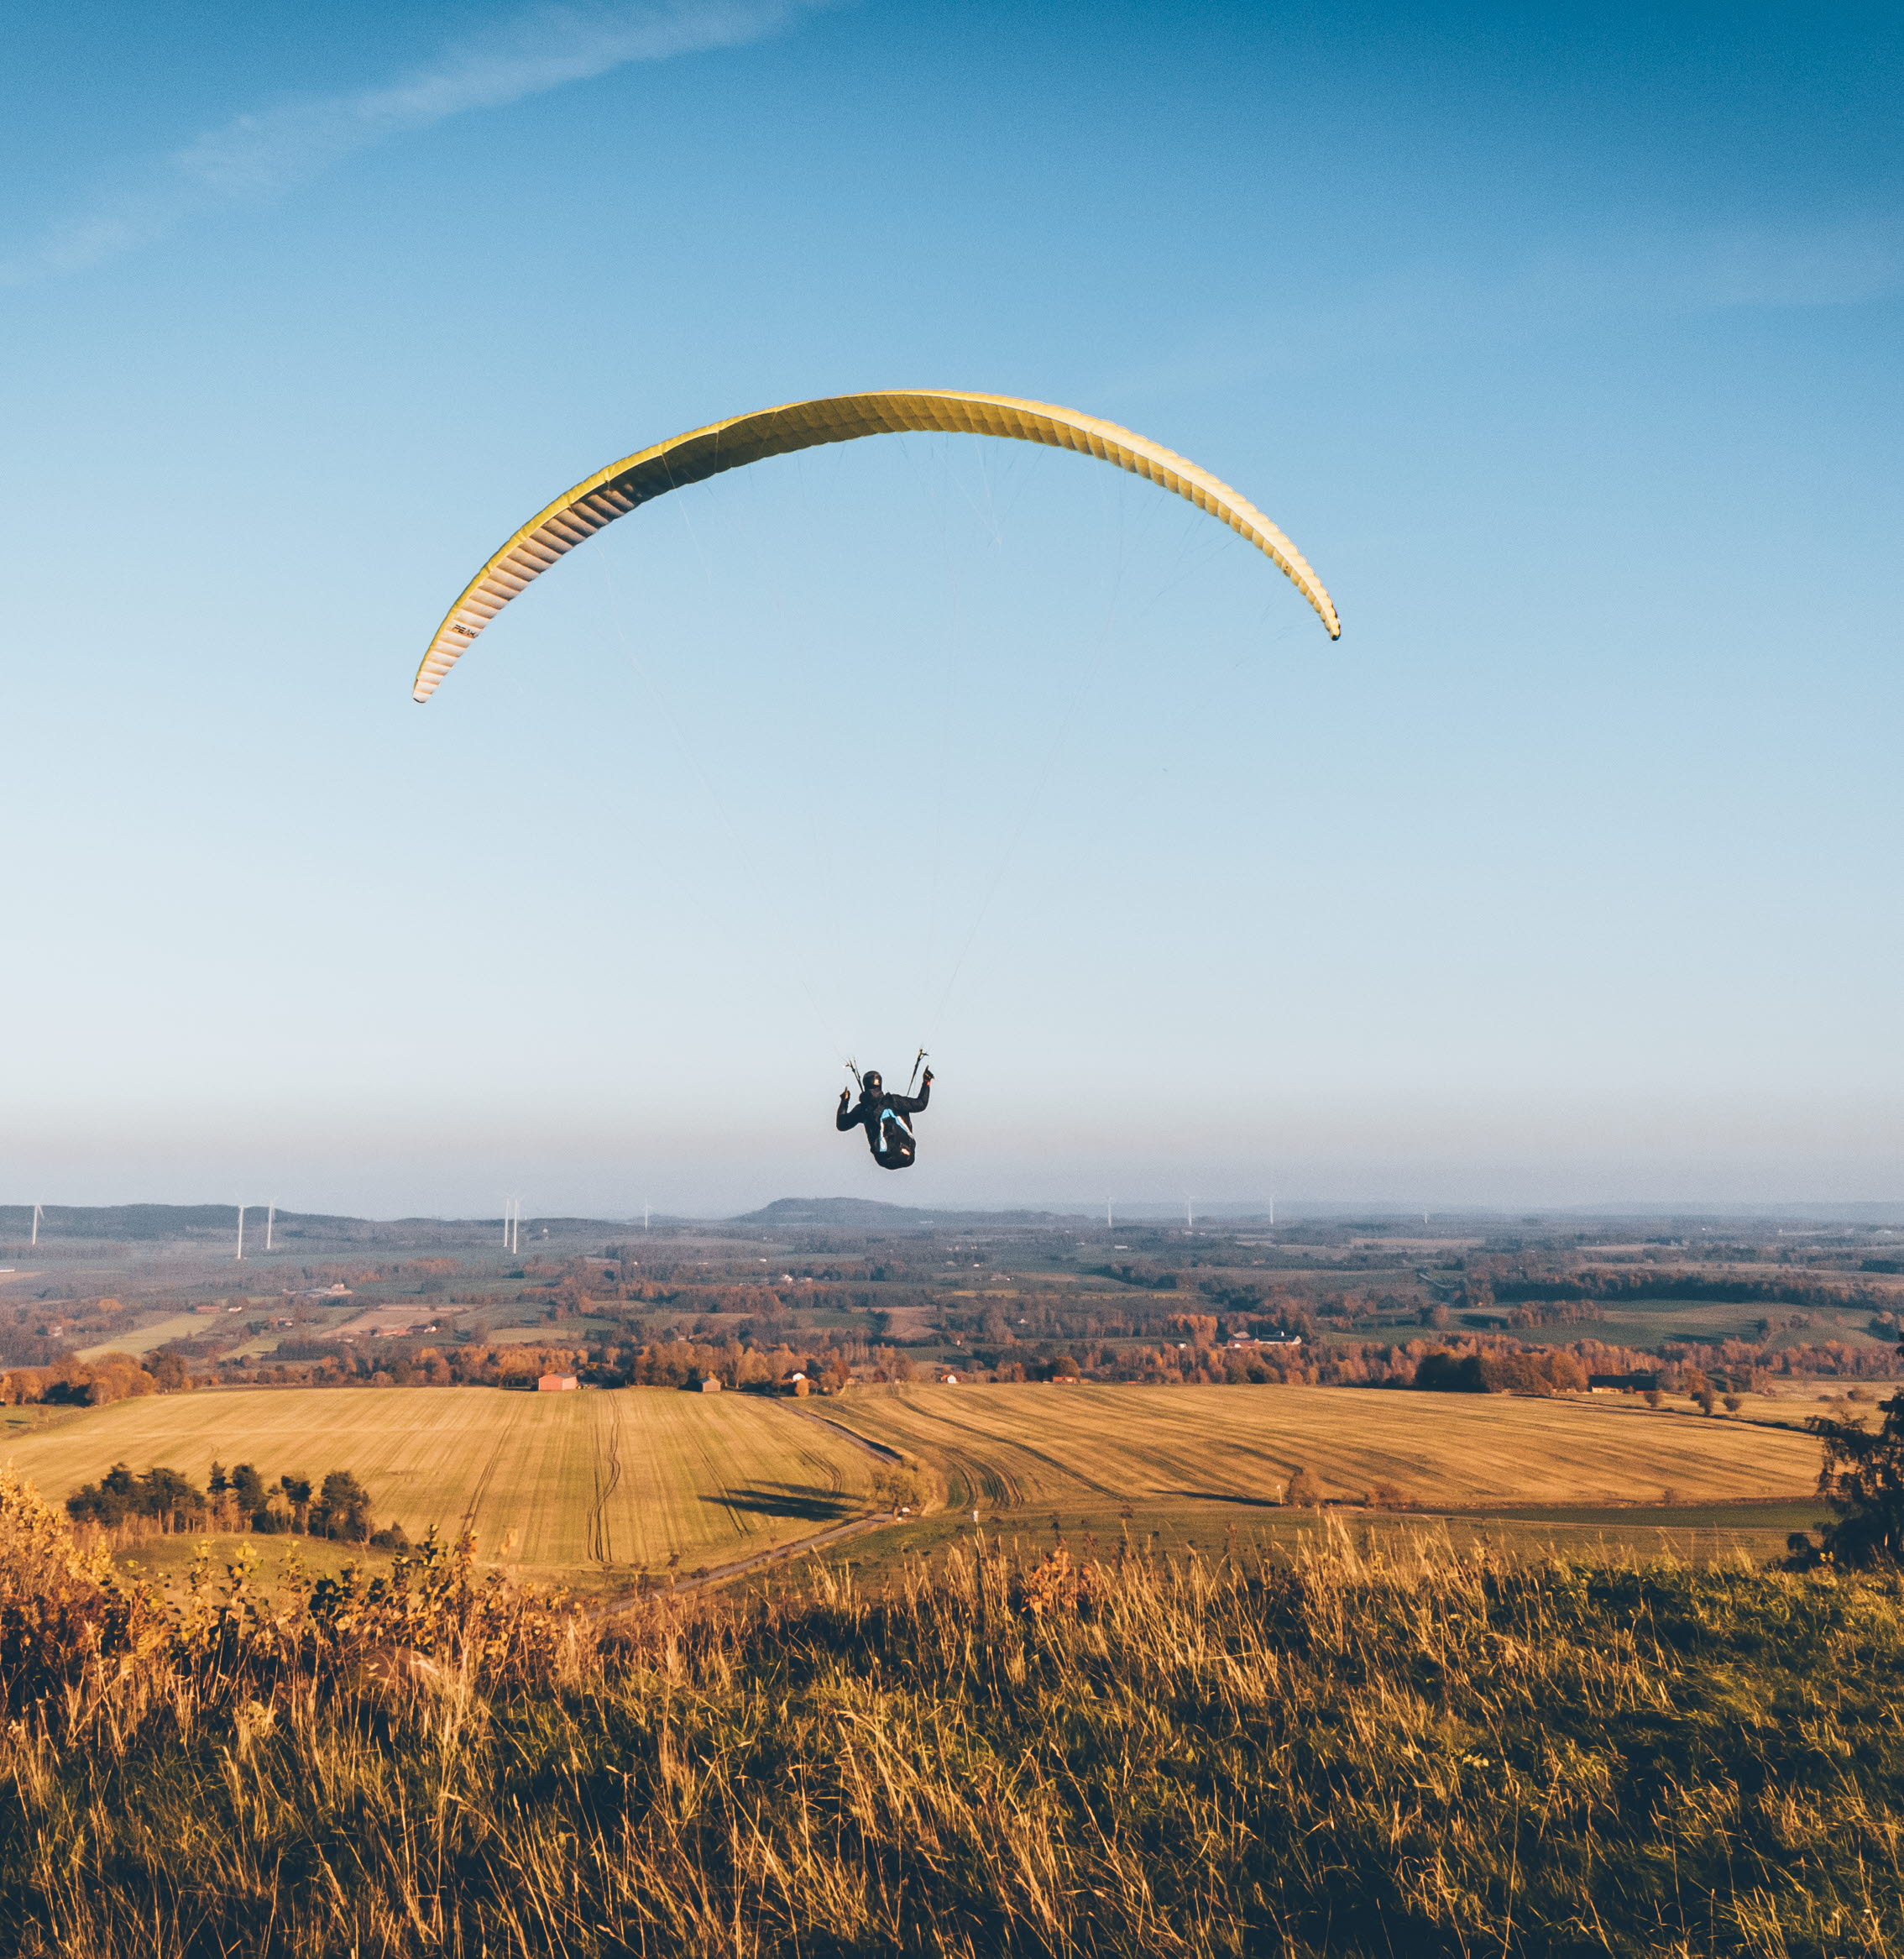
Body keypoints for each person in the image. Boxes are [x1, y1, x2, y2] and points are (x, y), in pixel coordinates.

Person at [836, 1066, 933, 1171]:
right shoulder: (896, 1101)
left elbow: (842, 1125)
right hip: (908, 1157)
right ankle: (901, 1149)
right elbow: (921, 1104)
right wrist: (926, 1083)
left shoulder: (862, 1109)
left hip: (884, 1160)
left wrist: (844, 1101)